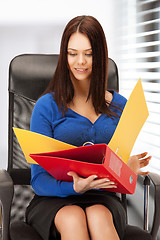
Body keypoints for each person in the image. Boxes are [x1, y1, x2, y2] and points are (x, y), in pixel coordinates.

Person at [26, 15, 151, 240]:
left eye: (89, 54)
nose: (80, 62)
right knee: (74, 218)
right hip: (54, 199)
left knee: (98, 216)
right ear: (64, 56)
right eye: (73, 54)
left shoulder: (121, 105)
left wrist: (127, 170)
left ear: (100, 56)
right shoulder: (46, 106)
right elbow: (38, 181)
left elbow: (120, 180)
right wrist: (75, 188)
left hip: (103, 199)